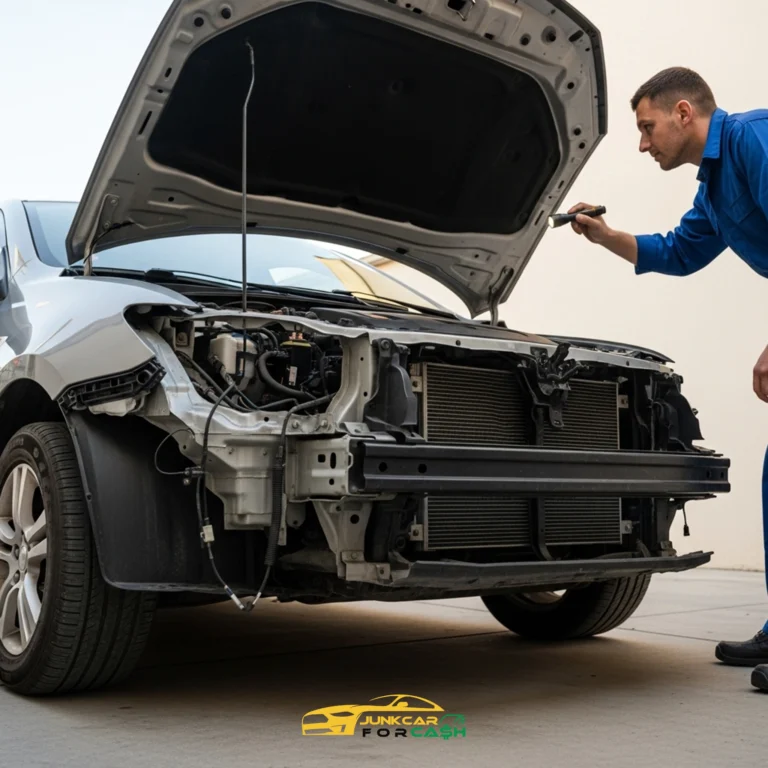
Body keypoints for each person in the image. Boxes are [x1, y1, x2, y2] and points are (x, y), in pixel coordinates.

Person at [566, 67, 768, 692]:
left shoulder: (755, 141)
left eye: (647, 127)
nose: (643, 143)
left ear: (684, 113)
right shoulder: (713, 186)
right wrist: (603, 236)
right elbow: (680, 253)